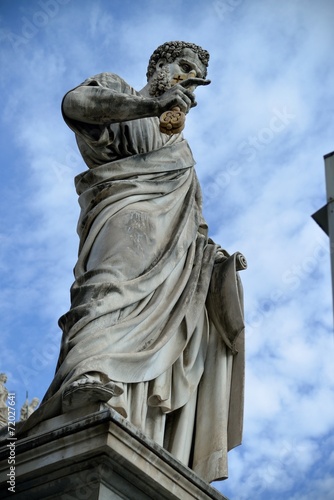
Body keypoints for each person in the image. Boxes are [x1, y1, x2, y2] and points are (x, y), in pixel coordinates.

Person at [36, 41, 246, 483]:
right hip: (122, 213)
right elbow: (76, 104)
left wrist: (219, 265)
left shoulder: (183, 154)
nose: (190, 81)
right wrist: (148, 104)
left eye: (197, 78)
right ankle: (86, 377)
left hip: (172, 252)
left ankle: (132, 413)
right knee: (106, 291)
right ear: (159, 66)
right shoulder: (118, 91)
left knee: (160, 321)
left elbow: (196, 229)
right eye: (184, 68)